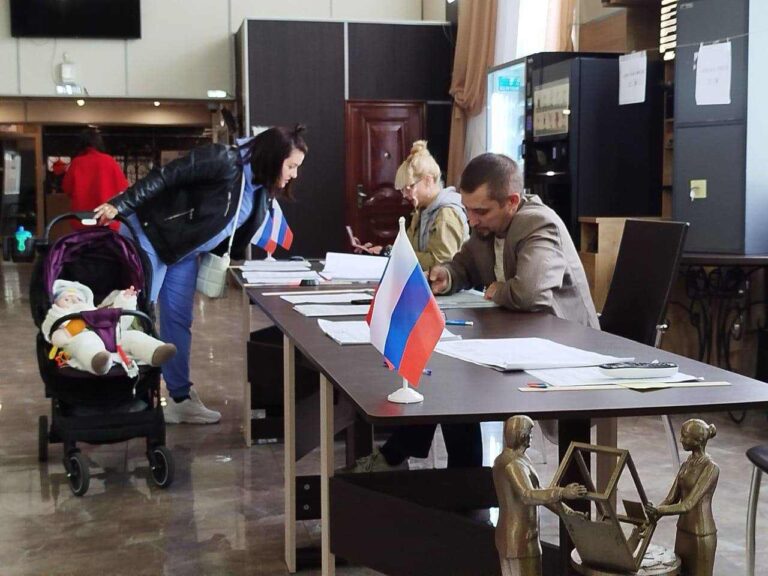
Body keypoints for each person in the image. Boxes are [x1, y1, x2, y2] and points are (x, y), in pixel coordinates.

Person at [94, 125, 308, 424]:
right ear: (273, 157)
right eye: (291, 166)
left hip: (183, 252)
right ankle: (119, 395)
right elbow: (166, 176)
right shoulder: (223, 160)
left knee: (178, 321)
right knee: (137, 317)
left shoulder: (260, 190)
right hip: (152, 236)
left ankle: (180, 399)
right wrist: (120, 204)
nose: (294, 174)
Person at [428, 153, 599, 328]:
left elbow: (529, 294)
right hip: (521, 331)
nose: (471, 221)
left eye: (481, 211)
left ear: (512, 201)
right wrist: (447, 276)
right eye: (467, 209)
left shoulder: (538, 224)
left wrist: (499, 291)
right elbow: (465, 267)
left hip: (568, 337)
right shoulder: (486, 226)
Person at [493, 415, 586, 576]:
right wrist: (562, 492)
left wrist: (568, 513)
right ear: (521, 435)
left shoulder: (514, 459)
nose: (531, 436)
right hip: (520, 539)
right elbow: (528, 495)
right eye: (529, 432)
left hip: (516, 537)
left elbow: (538, 492)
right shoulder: (513, 464)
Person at [355, 140, 469, 269]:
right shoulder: (421, 210)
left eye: (410, 187)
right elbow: (408, 250)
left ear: (428, 180)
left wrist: (393, 254)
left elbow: (441, 263)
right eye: (403, 189)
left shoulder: (446, 215)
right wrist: (384, 250)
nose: (405, 194)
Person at [41, 279, 177, 375]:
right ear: (55, 303)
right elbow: (55, 334)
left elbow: (120, 319)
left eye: (78, 299)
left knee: (134, 336)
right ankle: (98, 361)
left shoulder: (97, 310)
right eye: (66, 299)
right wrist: (63, 334)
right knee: (85, 343)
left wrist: (125, 300)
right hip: (81, 337)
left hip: (113, 335)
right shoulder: (60, 316)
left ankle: (155, 351)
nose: (73, 300)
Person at [645, 419, 719, 576]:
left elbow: (688, 504)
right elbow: (671, 499)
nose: (681, 440)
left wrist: (660, 510)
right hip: (683, 530)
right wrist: (653, 514)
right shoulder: (686, 465)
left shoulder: (711, 468)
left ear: (698, 440)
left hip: (701, 533)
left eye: (685, 436)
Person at [61, 128, 128, 231]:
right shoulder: (109, 161)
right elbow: (123, 189)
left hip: (81, 220)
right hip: (106, 219)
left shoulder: (76, 163)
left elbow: (67, 189)